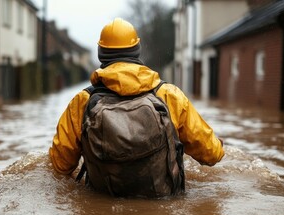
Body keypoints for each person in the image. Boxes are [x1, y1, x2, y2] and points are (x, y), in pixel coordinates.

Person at [49, 18, 224, 196]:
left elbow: (61, 165)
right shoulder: (169, 95)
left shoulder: (83, 101)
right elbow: (212, 154)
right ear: (137, 51)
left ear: (101, 53)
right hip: (162, 206)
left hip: (105, 203)